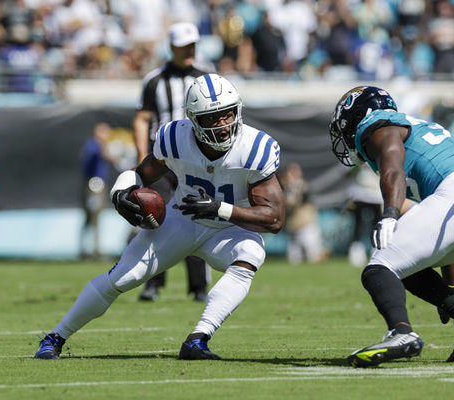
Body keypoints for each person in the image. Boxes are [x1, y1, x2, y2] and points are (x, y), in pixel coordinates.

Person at [34, 73, 285, 360]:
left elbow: (274, 219)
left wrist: (219, 208)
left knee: (251, 253)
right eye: (212, 118)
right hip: (183, 220)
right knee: (123, 277)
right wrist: (121, 191)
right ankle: (56, 336)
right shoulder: (175, 138)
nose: (223, 124)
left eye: (227, 114)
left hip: (229, 227)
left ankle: (198, 339)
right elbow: (142, 172)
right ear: (193, 120)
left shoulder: (256, 147)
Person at [329, 86, 454, 367]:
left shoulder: (375, 125)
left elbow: (393, 169)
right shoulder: (418, 126)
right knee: (406, 265)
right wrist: (451, 293)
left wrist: (389, 213)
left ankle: (401, 333)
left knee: (379, 267)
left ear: (356, 117)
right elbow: (450, 228)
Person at [133, 21, 210, 302]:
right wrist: (143, 155)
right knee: (156, 217)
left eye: (192, 45)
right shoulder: (154, 80)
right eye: (184, 46)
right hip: (162, 159)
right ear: (173, 48)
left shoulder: (206, 78)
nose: (190, 50)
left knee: (198, 215)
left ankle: (199, 286)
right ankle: (153, 283)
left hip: (196, 159)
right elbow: (142, 119)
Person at [280, 162, 327, 264]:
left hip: (307, 226)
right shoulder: (284, 188)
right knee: (294, 258)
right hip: (292, 227)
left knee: (313, 256)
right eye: (291, 172)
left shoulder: (302, 185)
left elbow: (295, 201)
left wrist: (291, 186)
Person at [79, 122, 113, 259]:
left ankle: (88, 249)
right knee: (93, 216)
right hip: (94, 185)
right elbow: (101, 156)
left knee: (94, 216)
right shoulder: (94, 145)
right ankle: (95, 250)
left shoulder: (97, 145)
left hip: (99, 184)